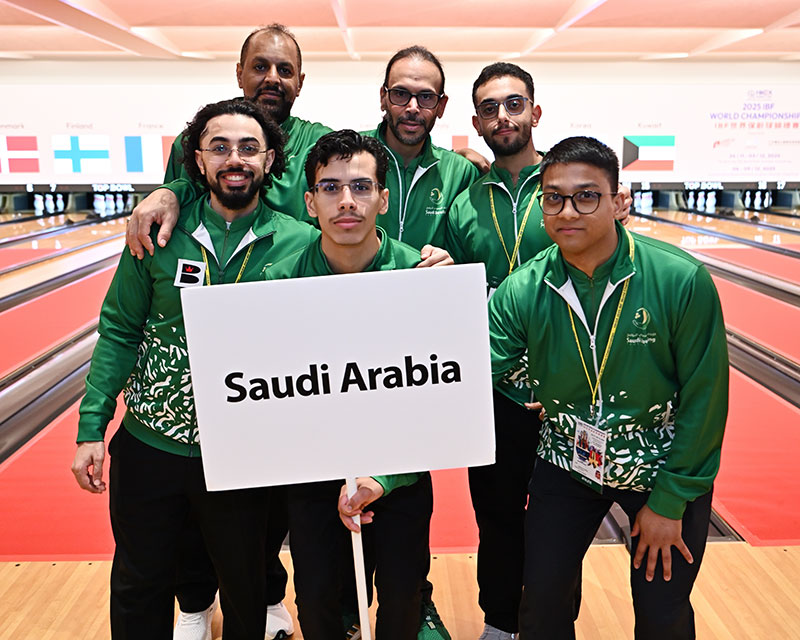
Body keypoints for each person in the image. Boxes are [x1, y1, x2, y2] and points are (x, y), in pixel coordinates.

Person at [70, 98, 318, 640]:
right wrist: (91, 427)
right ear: (199, 160)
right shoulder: (156, 233)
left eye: (249, 148)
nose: (235, 159)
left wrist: (425, 261)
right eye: (219, 147)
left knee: (246, 588)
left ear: (270, 160)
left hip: (244, 454)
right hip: (150, 445)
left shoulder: (301, 242)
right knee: (139, 585)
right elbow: (119, 328)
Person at [487, 136, 728, 638]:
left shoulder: (680, 280)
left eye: (586, 196)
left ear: (619, 202)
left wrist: (670, 501)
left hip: (660, 467)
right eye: (553, 198)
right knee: (541, 609)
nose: (567, 211)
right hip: (567, 461)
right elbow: (470, 370)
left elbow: (705, 399)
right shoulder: (524, 288)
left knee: (662, 615)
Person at [263, 129, 433, 639]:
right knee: (317, 603)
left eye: (361, 186)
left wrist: (385, 477)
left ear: (384, 198)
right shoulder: (277, 285)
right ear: (309, 202)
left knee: (403, 600)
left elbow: (436, 403)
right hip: (313, 474)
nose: (346, 201)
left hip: (402, 469)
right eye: (330, 187)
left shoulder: (422, 277)